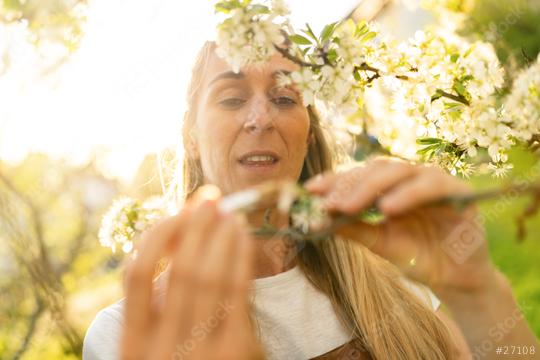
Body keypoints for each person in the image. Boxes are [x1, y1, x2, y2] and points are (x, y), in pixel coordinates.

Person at [83, 42, 539, 360]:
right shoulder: (128, 334)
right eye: (231, 98)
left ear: (307, 132)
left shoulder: (396, 274)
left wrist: (478, 291)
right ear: (192, 136)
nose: (260, 118)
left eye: (285, 97)